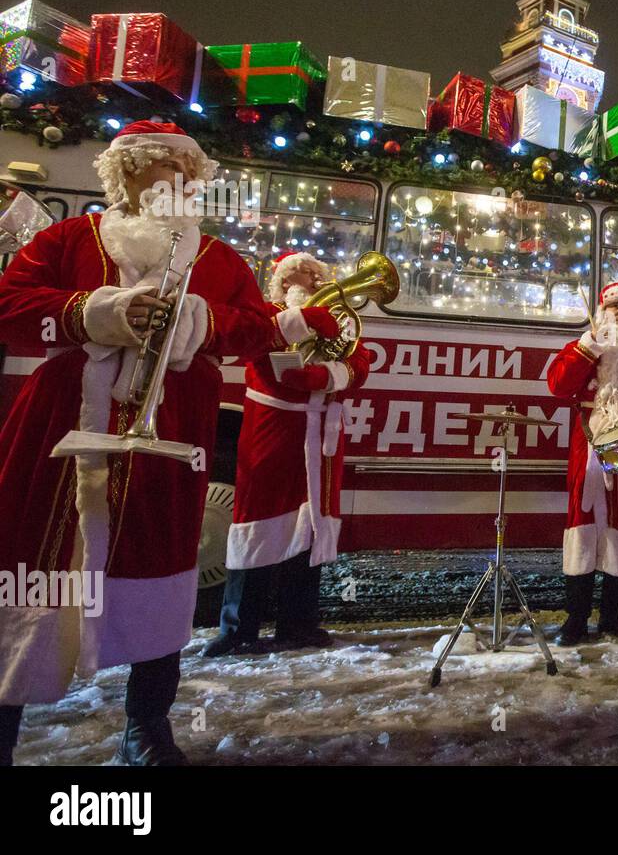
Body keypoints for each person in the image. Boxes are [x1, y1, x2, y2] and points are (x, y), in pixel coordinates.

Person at [0, 121, 273, 765]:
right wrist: (98, 311)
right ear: (125, 177)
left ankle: (146, 726)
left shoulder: (220, 259)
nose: (177, 184)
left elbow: (259, 331)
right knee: (27, 571)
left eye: (187, 174)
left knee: (158, 573)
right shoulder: (68, 239)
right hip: (64, 429)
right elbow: (10, 301)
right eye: (161, 171)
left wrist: (198, 320)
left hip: (168, 431)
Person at [204, 252, 371, 657]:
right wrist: (317, 378)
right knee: (256, 525)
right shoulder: (266, 316)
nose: (311, 280)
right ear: (281, 282)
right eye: (300, 274)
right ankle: (238, 627)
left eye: (316, 274)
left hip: (319, 436)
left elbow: (358, 362)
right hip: (274, 431)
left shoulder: (339, 319)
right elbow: (269, 363)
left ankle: (298, 623)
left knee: (309, 527)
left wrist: (331, 376)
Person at [545, 281, 618, 646]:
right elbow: (559, 385)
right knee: (583, 526)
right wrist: (589, 345)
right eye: (615, 307)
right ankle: (575, 618)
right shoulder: (586, 344)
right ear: (602, 311)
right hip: (592, 444)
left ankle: (613, 616)